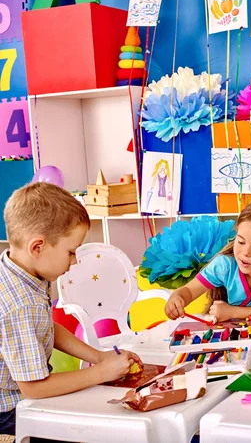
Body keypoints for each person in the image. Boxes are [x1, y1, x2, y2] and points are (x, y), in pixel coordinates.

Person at [0, 182, 141, 436]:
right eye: (71, 252)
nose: (75, 261)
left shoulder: (20, 269)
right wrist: (99, 373)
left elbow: (44, 327)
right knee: (97, 430)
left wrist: (98, 356)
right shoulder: (20, 304)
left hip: (23, 395)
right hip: (10, 412)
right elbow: (33, 388)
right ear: (37, 247)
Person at [165, 199, 251, 321]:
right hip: (248, 329)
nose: (245, 253)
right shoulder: (224, 265)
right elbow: (189, 290)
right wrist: (177, 297)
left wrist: (234, 312)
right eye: (241, 242)